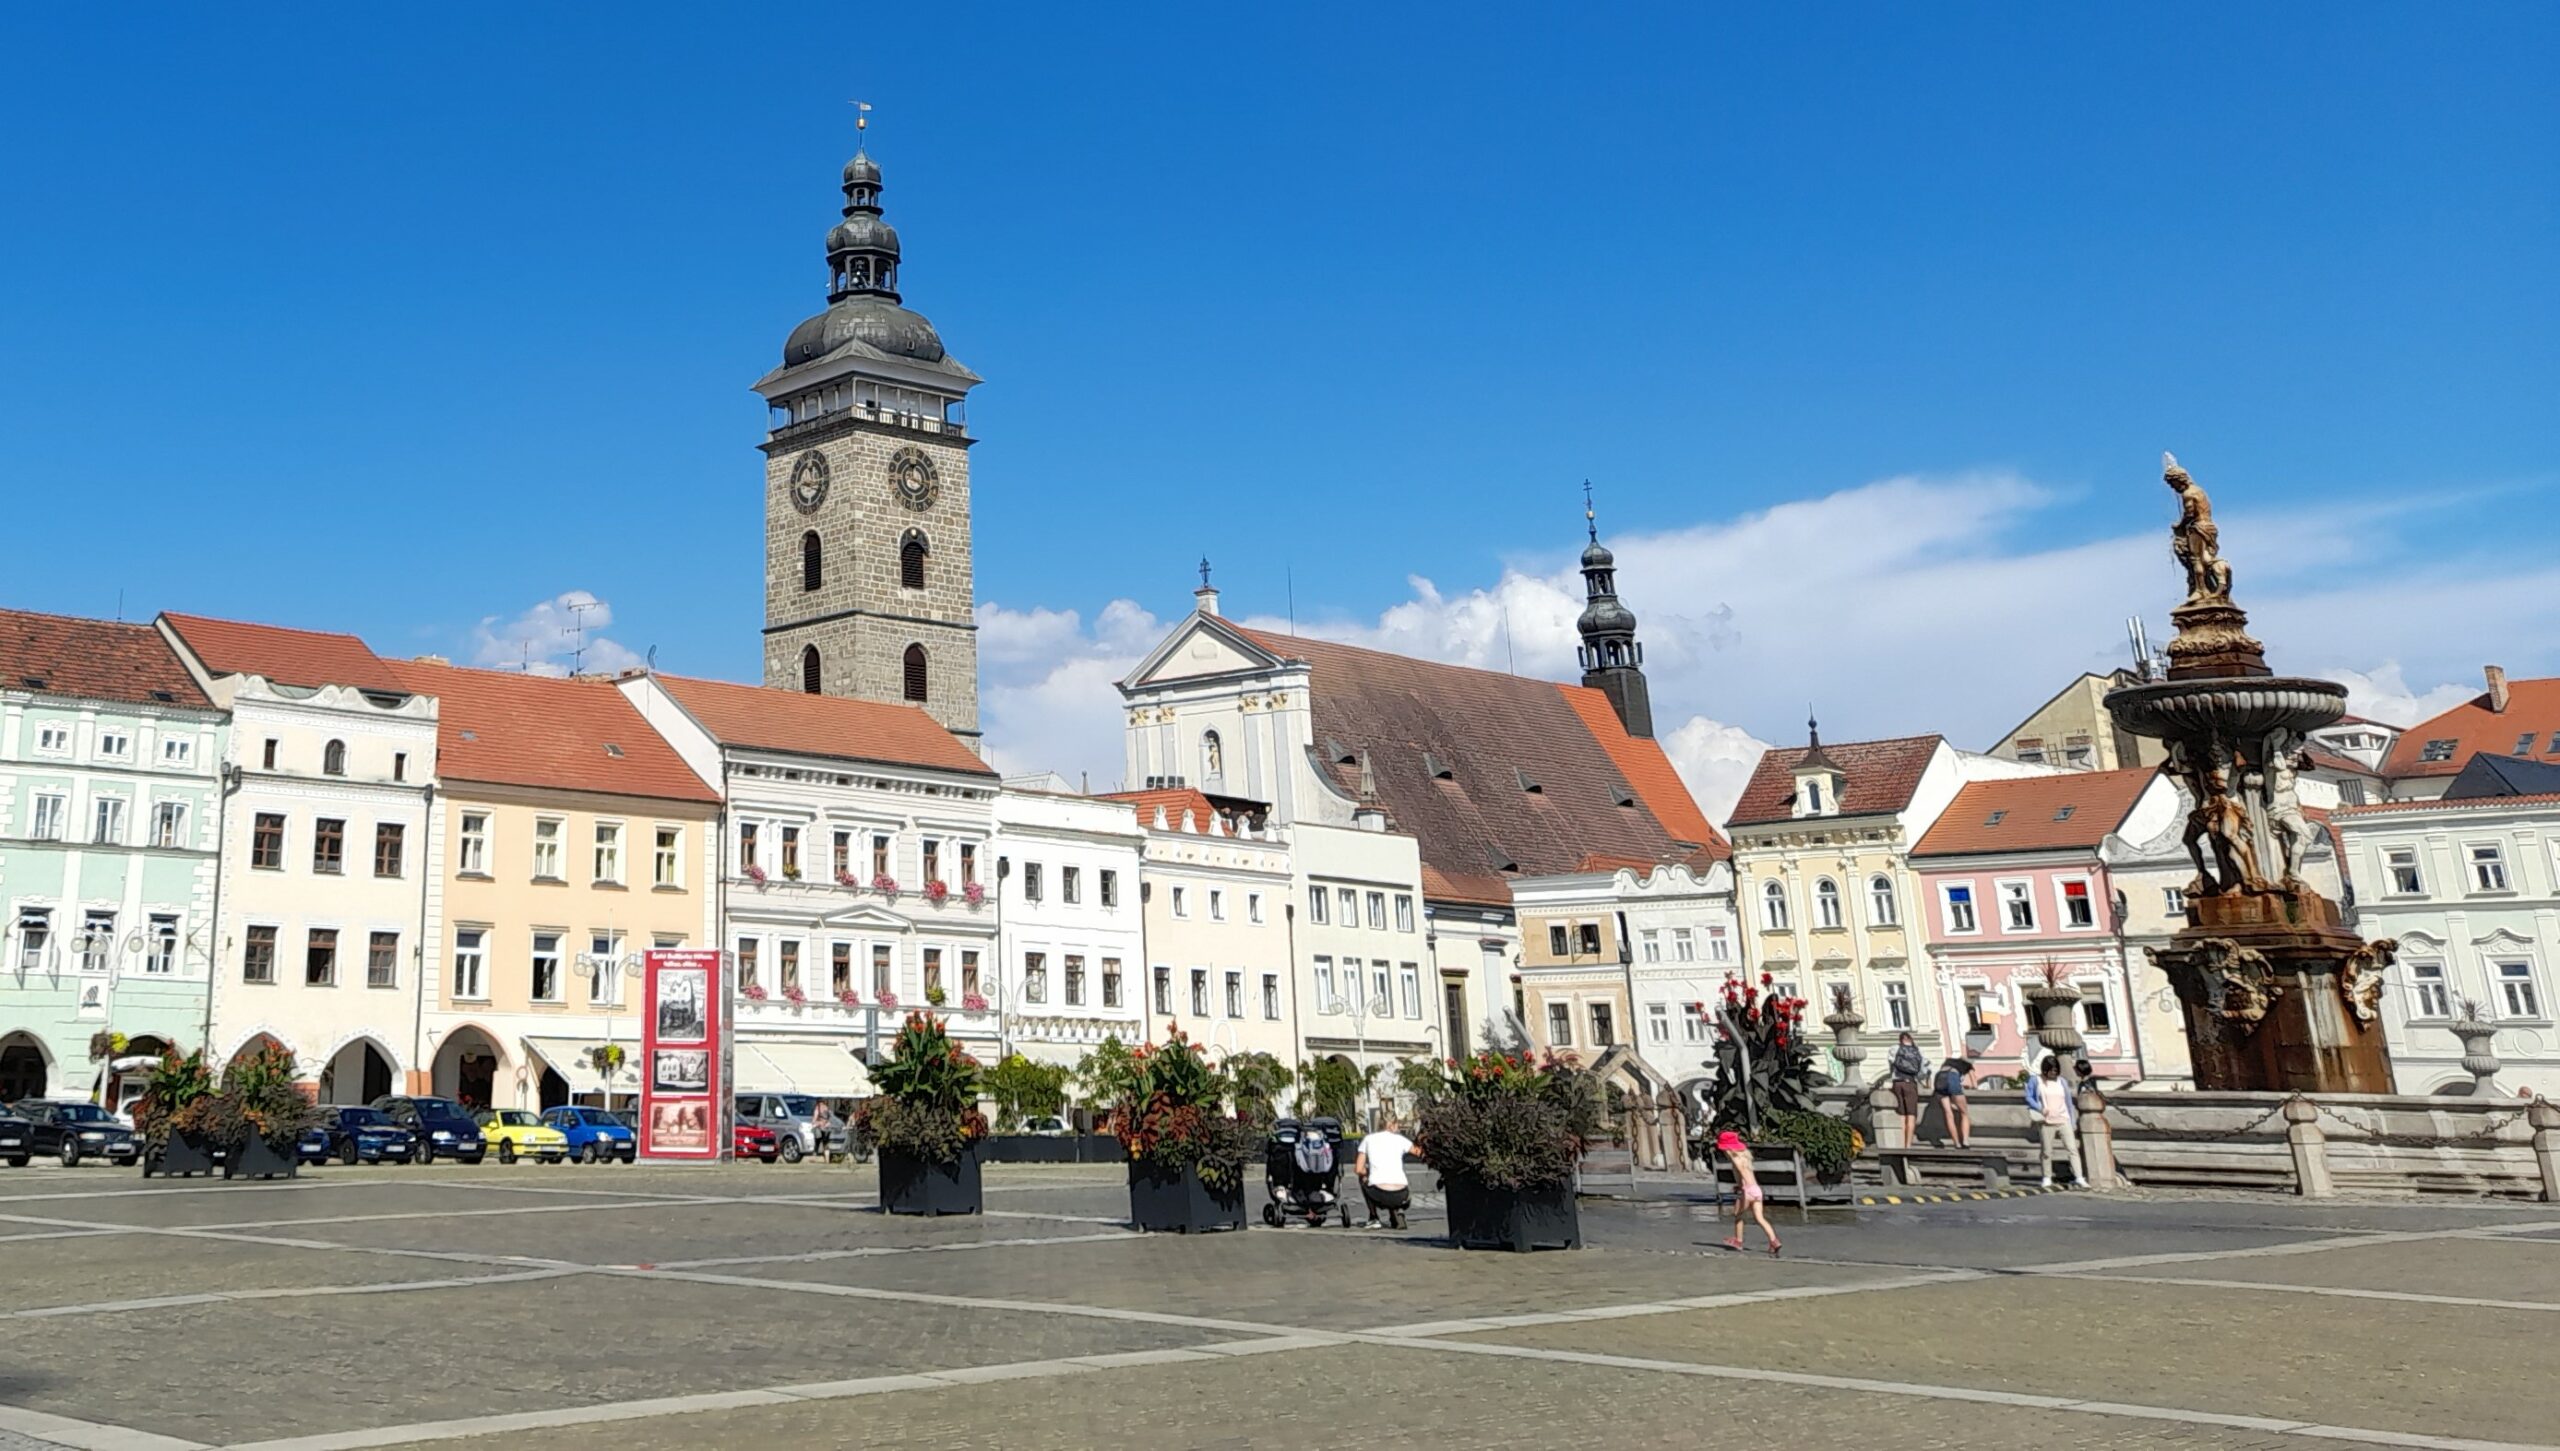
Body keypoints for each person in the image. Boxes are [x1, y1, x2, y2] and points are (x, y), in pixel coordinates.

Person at [2024, 1055, 2088, 1189]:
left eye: (2056, 1070)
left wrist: (2072, 1121)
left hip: (2063, 1119)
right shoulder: (2035, 1080)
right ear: (2045, 1069)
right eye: (2051, 1070)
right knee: (2047, 1151)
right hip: (2046, 1121)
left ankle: (2079, 1177)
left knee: (2072, 1149)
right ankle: (2047, 1177)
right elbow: (2028, 1097)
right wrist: (2039, 1108)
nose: (2054, 1073)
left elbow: (2068, 1102)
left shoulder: (2061, 1081)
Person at [1716, 1130, 1780, 1257]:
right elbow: (1747, 1176)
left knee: (1738, 1215)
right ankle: (1774, 1241)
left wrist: (1741, 1190)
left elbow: (1742, 1176)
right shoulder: (1746, 1158)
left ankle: (1738, 1241)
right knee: (1759, 1218)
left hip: (1748, 1191)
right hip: (1757, 1190)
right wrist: (1738, 1186)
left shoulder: (1736, 1160)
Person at [1354, 1115, 1417, 1230]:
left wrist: (1369, 1171)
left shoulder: (1368, 1139)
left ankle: (1374, 1217)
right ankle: (1397, 1211)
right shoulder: (1401, 1140)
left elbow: (1358, 1169)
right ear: (1393, 1125)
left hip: (1378, 1193)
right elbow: (1419, 1152)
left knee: (1363, 1178)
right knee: (1396, 1177)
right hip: (1401, 1194)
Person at [1888, 1032, 1926, 1147]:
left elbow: (1891, 1064)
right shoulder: (1917, 1050)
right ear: (1911, 1039)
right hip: (1910, 1083)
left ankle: (1900, 1142)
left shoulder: (1894, 1049)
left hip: (1898, 1083)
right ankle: (1908, 1145)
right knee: (1911, 1114)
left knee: (1901, 1114)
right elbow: (1922, 1072)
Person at [1933, 1056, 1973, 1149]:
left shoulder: (1948, 1061)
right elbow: (1974, 1082)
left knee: (1948, 1114)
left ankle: (1956, 1143)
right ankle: (1965, 1141)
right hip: (1952, 1077)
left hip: (1939, 1077)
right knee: (1964, 1113)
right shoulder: (1967, 1065)